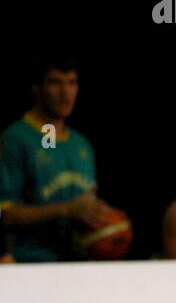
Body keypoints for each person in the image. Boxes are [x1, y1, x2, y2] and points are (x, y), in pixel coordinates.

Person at [0, 57, 116, 262]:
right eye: (55, 82)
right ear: (37, 88)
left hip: (76, 267)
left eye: (72, 82)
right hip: (28, 264)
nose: (66, 93)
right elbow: (5, 213)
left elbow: (85, 208)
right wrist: (66, 209)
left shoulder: (81, 144)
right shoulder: (15, 139)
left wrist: (107, 222)